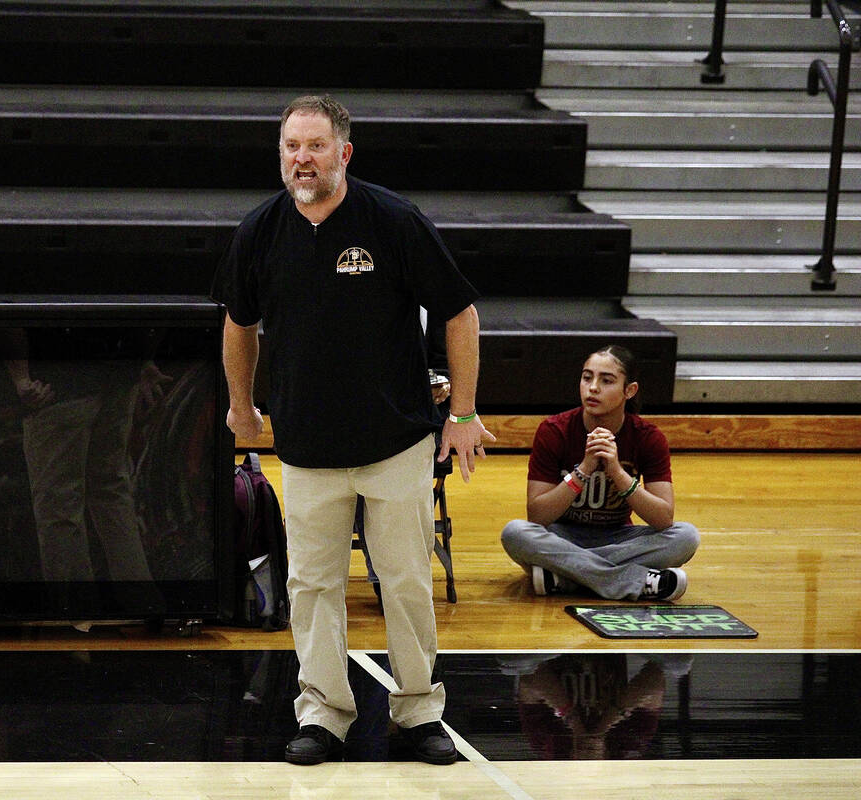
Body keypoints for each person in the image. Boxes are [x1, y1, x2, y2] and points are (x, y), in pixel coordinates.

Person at [212, 94, 495, 766]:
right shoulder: (260, 230)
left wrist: (462, 415)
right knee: (311, 587)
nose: (300, 159)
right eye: (290, 147)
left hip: (395, 441)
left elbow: (459, 312)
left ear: (344, 153)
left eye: (313, 146)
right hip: (307, 448)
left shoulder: (392, 220)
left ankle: (420, 712)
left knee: (403, 582)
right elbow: (237, 322)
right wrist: (240, 406)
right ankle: (324, 715)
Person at [500, 345, 700, 602]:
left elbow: (663, 518)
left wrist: (616, 471)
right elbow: (538, 515)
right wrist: (583, 469)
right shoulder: (554, 430)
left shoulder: (648, 437)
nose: (593, 387)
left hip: (619, 538)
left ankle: (566, 577)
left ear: (630, 390)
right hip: (562, 536)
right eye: (587, 377)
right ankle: (634, 581)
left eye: (606, 380)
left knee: (685, 536)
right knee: (515, 533)